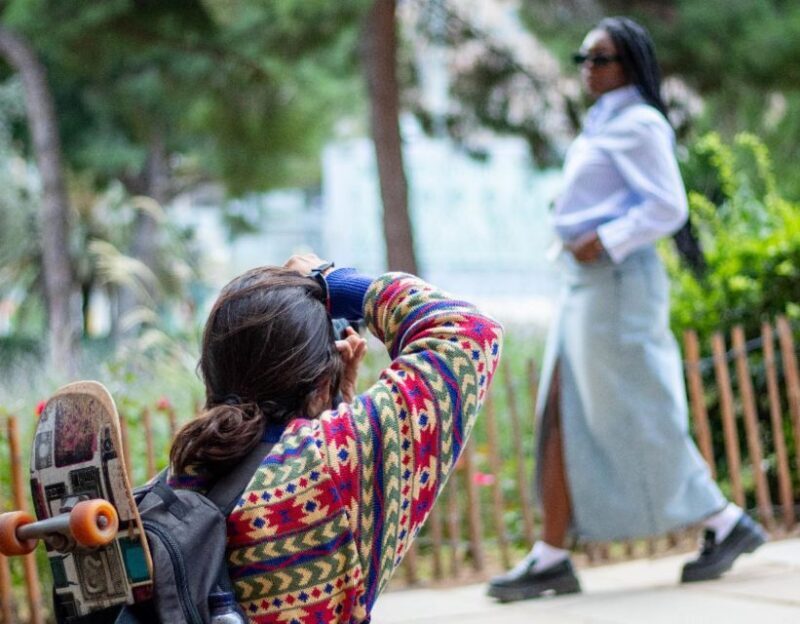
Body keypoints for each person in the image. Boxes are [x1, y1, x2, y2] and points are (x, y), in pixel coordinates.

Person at [487, 17, 766, 602]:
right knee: (558, 411)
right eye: (582, 58)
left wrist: (604, 240)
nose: (587, 68)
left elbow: (668, 206)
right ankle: (551, 555)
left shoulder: (640, 123)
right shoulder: (604, 122)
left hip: (617, 282)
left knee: (637, 408)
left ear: (630, 65)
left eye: (600, 58)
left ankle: (723, 521)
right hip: (585, 283)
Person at [167, 254, 503, 622]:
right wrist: (330, 278)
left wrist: (333, 405)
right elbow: (472, 331)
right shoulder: (331, 464)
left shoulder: (185, 475)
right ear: (320, 383)